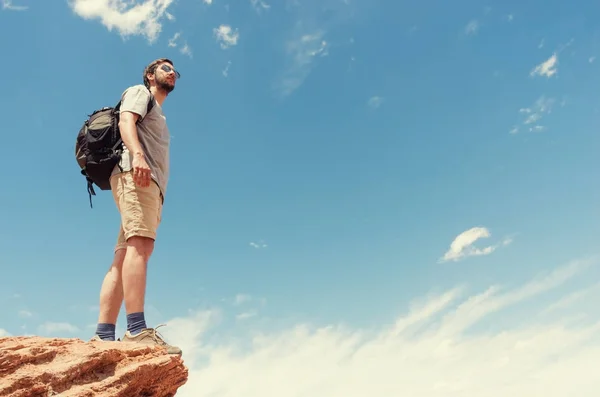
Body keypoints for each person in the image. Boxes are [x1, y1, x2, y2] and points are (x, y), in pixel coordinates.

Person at [90, 58, 181, 355]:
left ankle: (104, 334)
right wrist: (138, 156)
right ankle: (136, 329)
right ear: (149, 75)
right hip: (137, 176)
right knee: (140, 246)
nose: (172, 72)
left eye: (174, 70)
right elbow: (125, 121)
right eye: (165, 68)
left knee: (125, 254)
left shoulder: (159, 112)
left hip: (142, 182)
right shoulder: (140, 93)